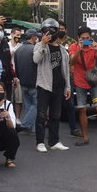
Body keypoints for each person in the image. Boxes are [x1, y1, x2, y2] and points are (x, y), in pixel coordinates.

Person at [68, 26, 97, 147]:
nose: (86, 40)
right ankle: (85, 137)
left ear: (91, 37)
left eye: (88, 38)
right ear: (78, 38)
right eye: (83, 38)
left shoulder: (95, 45)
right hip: (79, 81)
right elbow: (72, 62)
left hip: (93, 82)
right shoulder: (73, 47)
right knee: (82, 109)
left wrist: (96, 50)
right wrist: (79, 49)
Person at [33, 18, 71, 152]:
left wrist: (68, 87)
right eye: (45, 31)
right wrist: (43, 45)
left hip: (59, 86)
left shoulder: (62, 49)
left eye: (52, 31)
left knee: (56, 115)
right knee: (42, 115)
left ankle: (54, 141)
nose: (48, 33)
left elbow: (66, 70)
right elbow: (36, 59)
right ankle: (40, 142)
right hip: (44, 85)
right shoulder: (39, 45)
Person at [13, 28, 38, 134]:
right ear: (33, 37)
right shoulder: (34, 49)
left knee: (29, 105)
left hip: (23, 82)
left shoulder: (18, 50)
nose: (37, 38)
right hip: (34, 82)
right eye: (36, 36)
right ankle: (26, 124)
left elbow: (17, 68)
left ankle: (30, 128)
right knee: (36, 105)